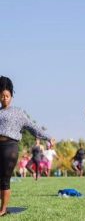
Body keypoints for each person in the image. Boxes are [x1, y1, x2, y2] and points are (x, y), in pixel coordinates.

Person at [0, 76, 54, 216]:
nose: (4, 98)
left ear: (11, 96)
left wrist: (48, 137)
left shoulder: (18, 113)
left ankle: (3, 210)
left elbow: (33, 127)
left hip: (10, 147)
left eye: (7, 96)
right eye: (2, 96)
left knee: (5, 179)